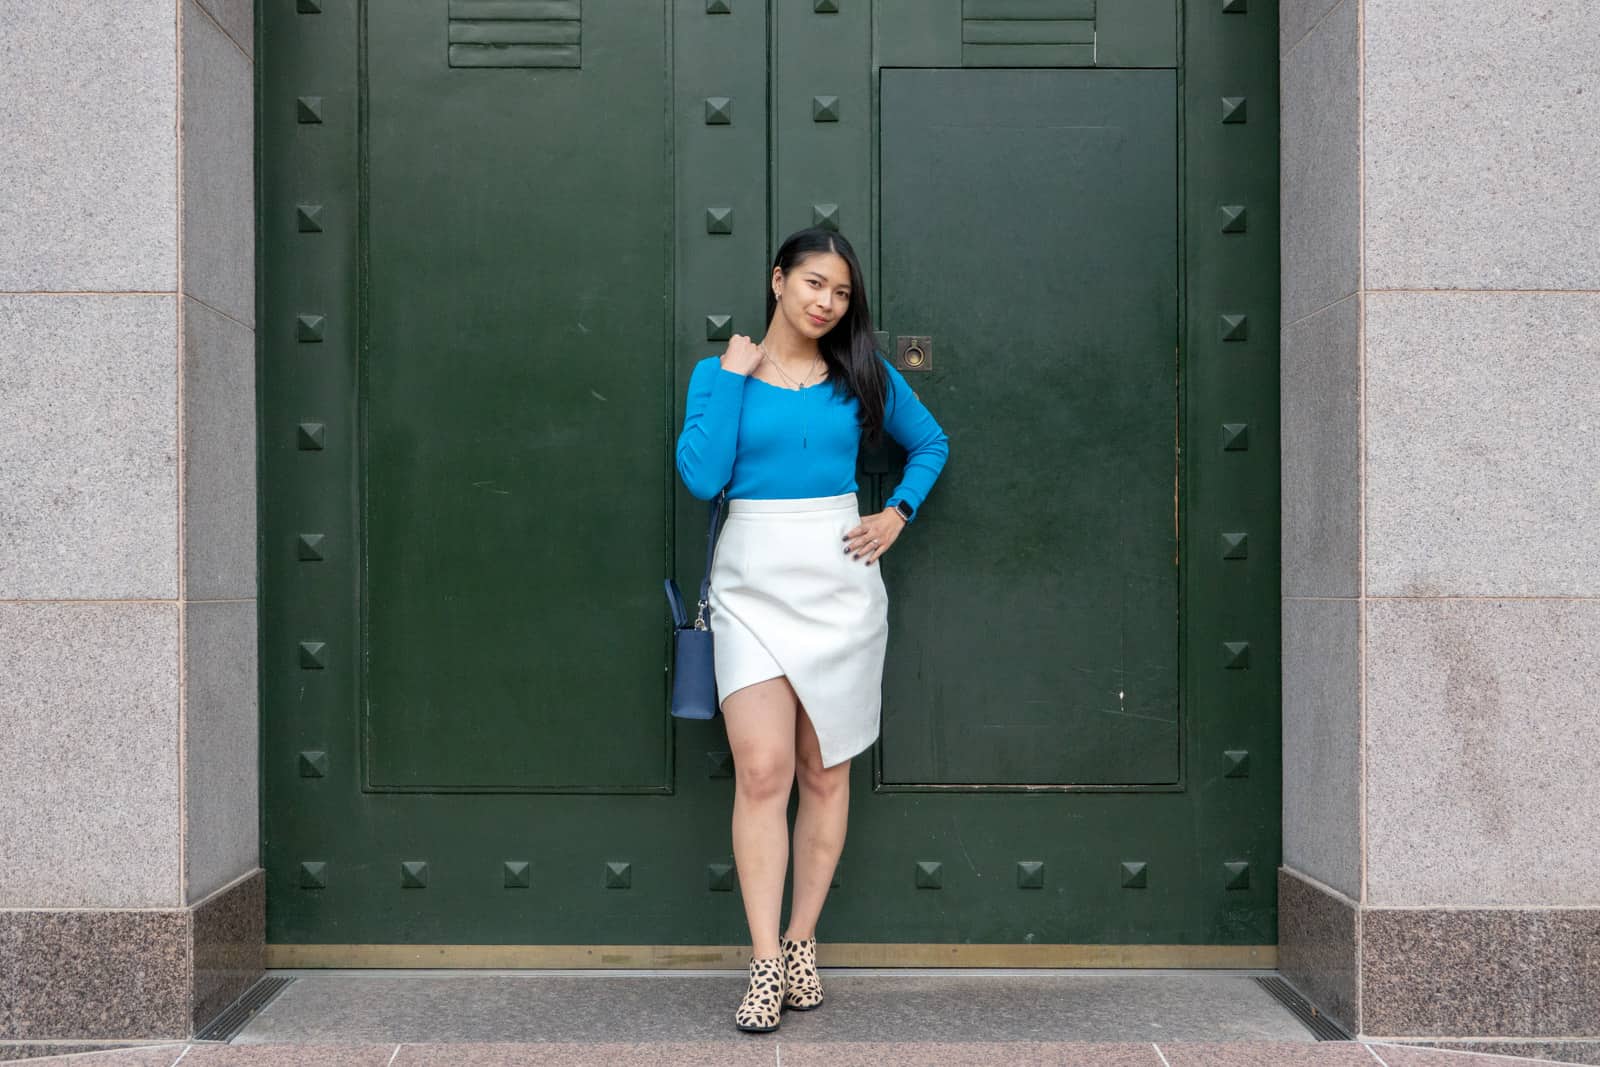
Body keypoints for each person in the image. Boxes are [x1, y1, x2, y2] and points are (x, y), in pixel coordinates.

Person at [674, 226, 950, 1033]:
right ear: (778, 280)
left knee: (825, 775)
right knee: (762, 772)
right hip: (750, 582)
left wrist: (896, 513)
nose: (827, 302)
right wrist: (731, 376)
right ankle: (762, 962)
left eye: (841, 292)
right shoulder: (717, 373)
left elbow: (929, 443)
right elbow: (701, 477)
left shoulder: (861, 374)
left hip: (839, 584)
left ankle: (802, 942)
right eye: (814, 284)